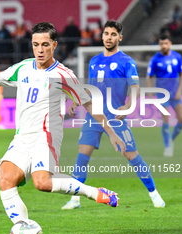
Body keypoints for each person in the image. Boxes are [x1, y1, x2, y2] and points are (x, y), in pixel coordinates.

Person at [0, 22, 126, 234]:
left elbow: (89, 103)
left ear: (54, 45)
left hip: (46, 135)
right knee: (5, 179)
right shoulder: (23, 68)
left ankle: (94, 192)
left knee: (42, 182)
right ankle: (24, 231)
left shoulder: (63, 74)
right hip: (22, 137)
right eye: (35, 45)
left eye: (44, 45)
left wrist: (110, 132)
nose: (39, 50)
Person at [62, 20, 165, 210]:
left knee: (131, 154)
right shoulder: (94, 61)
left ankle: (154, 193)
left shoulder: (126, 62)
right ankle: (75, 200)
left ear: (120, 38)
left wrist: (128, 105)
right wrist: (76, 101)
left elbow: (135, 87)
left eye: (113, 34)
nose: (109, 37)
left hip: (115, 116)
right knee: (82, 156)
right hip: (93, 115)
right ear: (102, 36)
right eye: (106, 33)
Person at [146, 34, 182, 157]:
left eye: (166, 43)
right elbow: (149, 76)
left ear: (170, 44)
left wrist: (179, 90)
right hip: (162, 94)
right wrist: (150, 93)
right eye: (161, 43)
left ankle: (171, 139)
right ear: (159, 45)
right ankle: (167, 147)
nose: (163, 46)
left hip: (175, 93)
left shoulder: (177, 57)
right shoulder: (155, 59)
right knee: (165, 119)